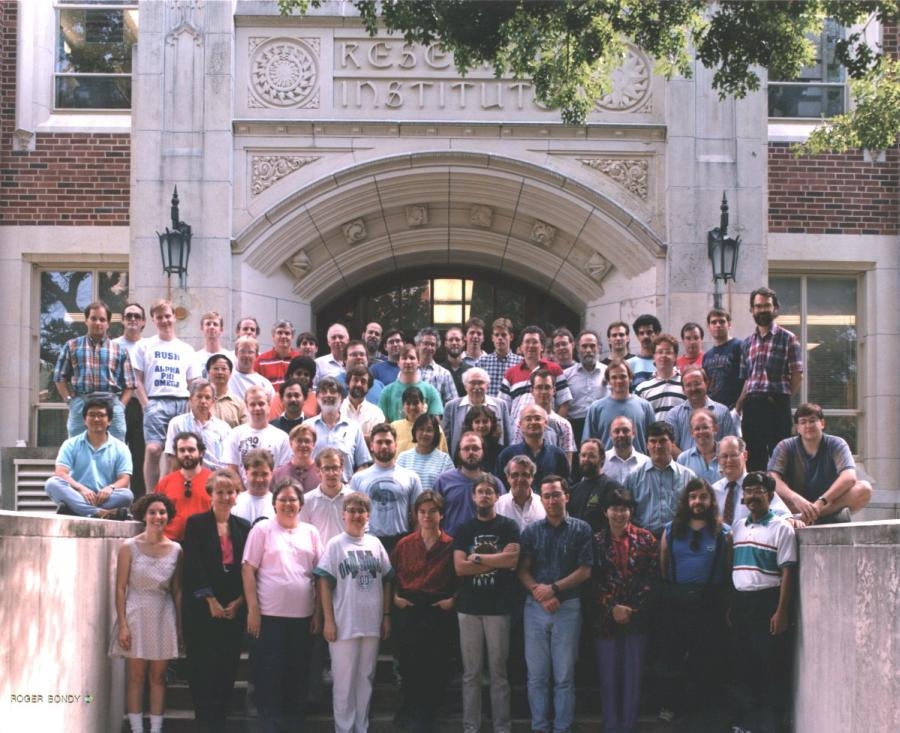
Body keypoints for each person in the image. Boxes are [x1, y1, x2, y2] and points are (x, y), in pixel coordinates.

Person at [242, 479, 323, 733]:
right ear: (274, 502)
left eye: (293, 499)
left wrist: (318, 613)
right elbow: (248, 569)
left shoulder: (310, 532)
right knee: (270, 678)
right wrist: (253, 609)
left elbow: (320, 575)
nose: (288, 504)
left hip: (303, 617)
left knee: (298, 677)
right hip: (269, 617)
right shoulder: (263, 530)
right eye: (283, 499)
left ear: (301, 504)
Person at [517, 475, 593, 733]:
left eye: (556, 494)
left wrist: (555, 589)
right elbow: (523, 570)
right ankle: (539, 727)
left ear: (566, 496)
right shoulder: (531, 531)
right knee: (537, 676)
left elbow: (585, 570)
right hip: (535, 608)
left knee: (563, 677)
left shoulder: (581, 529)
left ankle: (562, 728)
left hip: (568, 607)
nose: (551, 500)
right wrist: (539, 592)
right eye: (546, 496)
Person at [315, 492, 394, 733]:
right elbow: (324, 583)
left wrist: (387, 616)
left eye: (361, 511)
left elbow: (388, 579)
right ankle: (344, 728)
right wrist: (328, 620)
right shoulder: (336, 544)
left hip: (371, 622)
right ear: (344, 514)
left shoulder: (375, 543)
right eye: (352, 510)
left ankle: (362, 727)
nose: (357, 515)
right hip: (344, 623)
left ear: (368, 515)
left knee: (365, 679)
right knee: (344, 682)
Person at [657, 478, 731, 728]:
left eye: (703, 497)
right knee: (673, 657)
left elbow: (728, 567)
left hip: (709, 602)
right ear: (686, 501)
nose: (698, 501)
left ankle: (703, 709)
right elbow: (664, 565)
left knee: (706, 657)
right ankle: (671, 706)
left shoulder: (723, 532)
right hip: (677, 600)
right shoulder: (671, 529)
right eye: (693, 497)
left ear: (711, 501)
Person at [181, 469, 251, 733]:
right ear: (210, 494)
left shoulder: (244, 527)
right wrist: (209, 600)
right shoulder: (196, 524)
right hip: (202, 607)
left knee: (227, 665)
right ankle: (205, 722)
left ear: (236, 496)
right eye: (219, 492)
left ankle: (220, 720)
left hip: (233, 605)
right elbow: (193, 566)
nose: (225, 496)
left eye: (230, 492)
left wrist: (240, 601)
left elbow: (248, 566)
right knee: (202, 666)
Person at [729, 471, 797, 733]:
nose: (753, 496)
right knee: (743, 664)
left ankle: (769, 726)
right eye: (748, 491)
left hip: (767, 603)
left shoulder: (782, 528)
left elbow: (788, 572)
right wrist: (731, 604)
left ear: (770, 494)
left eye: (758, 490)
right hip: (741, 603)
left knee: (770, 665)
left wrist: (781, 612)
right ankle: (743, 723)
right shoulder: (737, 527)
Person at [110, 493, 183, 733]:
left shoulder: (176, 550)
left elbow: (177, 590)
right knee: (136, 677)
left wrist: (179, 627)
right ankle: (136, 729)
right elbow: (120, 588)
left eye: (162, 512)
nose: (157, 516)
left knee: (158, 678)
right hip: (135, 614)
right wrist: (122, 624)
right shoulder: (128, 547)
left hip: (164, 614)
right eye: (152, 512)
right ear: (144, 515)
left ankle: (155, 729)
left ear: (168, 516)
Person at [453, 473, 521, 733]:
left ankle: (502, 727)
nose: (484, 496)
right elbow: (460, 568)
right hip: (469, 609)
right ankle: (471, 726)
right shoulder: (464, 528)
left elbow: (512, 561)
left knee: (498, 673)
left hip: (498, 609)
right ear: (473, 496)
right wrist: (497, 559)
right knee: (471, 673)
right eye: (480, 491)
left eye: (489, 492)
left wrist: (478, 559)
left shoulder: (508, 527)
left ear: (496, 496)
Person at [590, 485, 658, 733]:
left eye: (624, 509)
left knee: (633, 676)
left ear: (631, 511)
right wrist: (612, 608)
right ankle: (611, 727)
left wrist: (631, 609)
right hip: (605, 618)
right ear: (606, 512)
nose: (619, 514)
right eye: (614, 509)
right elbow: (591, 580)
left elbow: (652, 578)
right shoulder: (595, 541)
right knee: (608, 677)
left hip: (637, 617)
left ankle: (628, 726)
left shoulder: (646, 538)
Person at [390, 491, 458, 733]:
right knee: (409, 664)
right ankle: (410, 710)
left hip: (437, 610)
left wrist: (453, 600)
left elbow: (462, 579)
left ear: (441, 514)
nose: (427, 516)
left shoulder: (451, 545)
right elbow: (392, 576)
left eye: (432, 511)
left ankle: (431, 714)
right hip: (409, 608)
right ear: (415, 515)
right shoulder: (405, 544)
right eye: (422, 512)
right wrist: (395, 598)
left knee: (436, 664)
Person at [133, 299, 199, 491]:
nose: (164, 320)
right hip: (156, 402)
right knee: (153, 450)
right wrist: (147, 405)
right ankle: (151, 496)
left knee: (176, 454)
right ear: (153, 320)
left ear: (174, 317)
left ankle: (170, 494)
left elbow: (193, 383)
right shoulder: (144, 346)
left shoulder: (186, 349)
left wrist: (191, 407)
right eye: (159, 317)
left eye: (167, 316)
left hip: (181, 403)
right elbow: (136, 379)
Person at [768, 402, 872, 524]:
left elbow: (849, 477)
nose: (808, 425)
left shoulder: (837, 444)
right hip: (795, 505)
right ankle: (816, 516)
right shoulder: (785, 446)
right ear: (797, 428)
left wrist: (820, 502)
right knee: (767, 493)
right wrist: (795, 498)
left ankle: (808, 517)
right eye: (803, 422)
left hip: (828, 503)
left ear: (822, 423)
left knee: (864, 489)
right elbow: (772, 478)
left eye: (812, 421)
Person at [736, 286, 803, 471]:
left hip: (776, 405)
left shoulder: (788, 338)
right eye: (758, 306)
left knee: (780, 457)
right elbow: (747, 380)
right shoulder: (747, 343)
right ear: (752, 310)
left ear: (775, 308)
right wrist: (739, 406)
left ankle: (779, 498)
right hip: (752, 407)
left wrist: (782, 397)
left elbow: (797, 375)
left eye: (766, 306)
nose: (762, 310)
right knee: (753, 458)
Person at [53, 299, 134, 441]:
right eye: (93, 318)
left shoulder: (119, 350)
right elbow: (59, 377)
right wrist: (70, 401)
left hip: (111, 403)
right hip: (81, 403)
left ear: (108, 323)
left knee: (116, 447)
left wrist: (120, 406)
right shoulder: (72, 346)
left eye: (102, 319)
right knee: (76, 446)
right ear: (86, 321)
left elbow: (130, 384)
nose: (98, 323)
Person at [44, 396, 134, 518]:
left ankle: (75, 509)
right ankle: (98, 513)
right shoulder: (71, 444)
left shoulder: (121, 447)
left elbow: (124, 479)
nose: (96, 419)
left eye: (101, 415)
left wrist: (110, 488)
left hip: (104, 498)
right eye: (91, 415)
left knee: (127, 495)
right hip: (77, 493)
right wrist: (81, 489)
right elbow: (60, 473)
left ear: (110, 421)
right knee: (52, 483)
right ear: (85, 420)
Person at [349, 422, 423, 554]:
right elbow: (351, 517)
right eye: (379, 442)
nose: (384, 446)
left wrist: (414, 545)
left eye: (388, 442)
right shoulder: (358, 479)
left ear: (396, 445)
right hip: (368, 542)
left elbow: (418, 518)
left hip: (401, 542)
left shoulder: (411, 477)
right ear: (371, 446)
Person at [625, 421, 696, 537]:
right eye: (653, 441)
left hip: (678, 539)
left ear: (673, 444)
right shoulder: (633, 478)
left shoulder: (689, 477)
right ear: (647, 444)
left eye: (663, 441)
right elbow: (626, 513)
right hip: (643, 543)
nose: (657, 446)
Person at [434, 431, 504, 537]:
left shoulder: (494, 483)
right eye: (466, 449)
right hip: (450, 544)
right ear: (459, 452)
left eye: (475, 448)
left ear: (483, 451)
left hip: (486, 545)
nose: (471, 452)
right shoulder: (443, 481)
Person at [713, 436, 790, 525]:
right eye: (724, 456)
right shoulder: (714, 490)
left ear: (745, 455)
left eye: (734, 455)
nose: (729, 460)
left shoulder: (759, 485)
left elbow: (782, 514)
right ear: (718, 459)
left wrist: (788, 519)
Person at [500, 325, 572, 421]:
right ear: (521, 347)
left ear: (542, 346)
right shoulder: (510, 374)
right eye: (527, 342)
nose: (531, 345)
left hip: (547, 431)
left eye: (535, 342)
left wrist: (554, 426)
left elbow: (565, 403)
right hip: (517, 432)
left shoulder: (554, 369)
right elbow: (503, 408)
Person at [307, 377, 372, 483]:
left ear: (341, 398)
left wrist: (351, 486)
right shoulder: (307, 427)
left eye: (333, 391)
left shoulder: (353, 428)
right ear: (317, 397)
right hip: (313, 491)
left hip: (345, 490)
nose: (328, 395)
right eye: (323, 391)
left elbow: (363, 465)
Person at [582, 359, 655, 453]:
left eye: (623, 376)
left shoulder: (645, 407)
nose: (619, 381)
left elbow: (653, 441)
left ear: (630, 378)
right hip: (607, 466)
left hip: (640, 466)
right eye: (614, 377)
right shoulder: (596, 408)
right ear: (608, 381)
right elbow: (588, 444)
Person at [114, 302, 148, 497]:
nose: (133, 319)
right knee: (114, 454)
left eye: (137, 316)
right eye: (129, 316)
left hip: (141, 407)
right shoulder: (113, 345)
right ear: (123, 320)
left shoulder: (148, 346)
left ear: (143, 322)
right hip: (118, 404)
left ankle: (139, 503)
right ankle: (111, 500)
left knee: (139, 456)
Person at [224, 386, 291, 483]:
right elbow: (232, 469)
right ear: (247, 407)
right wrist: (244, 494)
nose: (257, 408)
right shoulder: (235, 434)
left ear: (269, 405)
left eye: (261, 404)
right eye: (252, 404)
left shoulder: (282, 437)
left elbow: (283, 472)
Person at [496, 404, 570, 491]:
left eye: (537, 418)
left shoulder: (557, 455)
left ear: (545, 423)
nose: (533, 422)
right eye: (528, 419)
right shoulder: (507, 455)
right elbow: (500, 486)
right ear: (520, 424)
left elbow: (565, 485)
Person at [664, 364, 738, 452]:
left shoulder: (723, 411)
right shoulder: (674, 414)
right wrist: (690, 461)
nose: (693, 388)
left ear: (707, 383)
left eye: (697, 383)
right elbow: (671, 446)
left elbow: (731, 444)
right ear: (683, 389)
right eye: (688, 385)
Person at [155, 431, 214, 542]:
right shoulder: (165, 482)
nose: (186, 454)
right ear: (176, 454)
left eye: (191, 450)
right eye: (182, 450)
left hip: (204, 543)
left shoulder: (213, 480)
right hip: (170, 543)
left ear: (201, 453)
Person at [442, 366, 512, 457]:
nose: (477, 386)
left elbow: (508, 437)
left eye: (480, 383)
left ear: (487, 385)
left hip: (494, 459)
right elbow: (446, 439)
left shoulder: (500, 405)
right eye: (472, 383)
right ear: (465, 386)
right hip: (461, 460)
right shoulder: (451, 406)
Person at [163, 378, 231, 472]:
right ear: (190, 399)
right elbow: (172, 457)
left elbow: (229, 459)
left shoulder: (224, 428)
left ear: (213, 401)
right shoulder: (177, 424)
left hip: (216, 478)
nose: (203, 401)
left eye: (207, 397)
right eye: (199, 396)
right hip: (188, 477)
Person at [512, 369, 577, 466]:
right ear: (532, 391)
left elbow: (567, 462)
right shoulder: (521, 422)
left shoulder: (564, 425)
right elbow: (516, 454)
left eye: (547, 387)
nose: (543, 391)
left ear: (554, 390)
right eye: (539, 387)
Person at [568, 438, 624, 531]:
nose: (586, 459)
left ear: (602, 458)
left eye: (591, 456)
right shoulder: (573, 490)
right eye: (583, 455)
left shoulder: (613, 487)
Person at [378, 343, 444, 422]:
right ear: (398, 362)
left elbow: (435, 423)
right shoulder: (387, 391)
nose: (408, 361)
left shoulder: (430, 391)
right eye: (404, 358)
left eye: (412, 358)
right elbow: (382, 423)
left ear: (419, 362)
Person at [300, 448, 352, 544]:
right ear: (318, 471)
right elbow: (303, 535)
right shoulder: (307, 501)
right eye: (326, 468)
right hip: (319, 557)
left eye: (335, 468)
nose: (331, 473)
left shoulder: (353, 499)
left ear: (342, 469)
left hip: (347, 556)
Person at [564, 329, 608, 441]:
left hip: (603, 425)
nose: (588, 350)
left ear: (599, 348)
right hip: (575, 428)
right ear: (578, 349)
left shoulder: (608, 372)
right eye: (584, 346)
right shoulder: (567, 375)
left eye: (592, 346)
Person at [397, 413, 455, 490]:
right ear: (415, 431)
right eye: (421, 429)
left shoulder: (445, 460)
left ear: (435, 433)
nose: (424, 434)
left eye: (429, 430)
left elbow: (450, 488)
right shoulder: (403, 458)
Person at [634, 333, 685, 420]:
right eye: (660, 352)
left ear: (675, 356)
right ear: (654, 356)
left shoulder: (685, 384)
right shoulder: (642, 389)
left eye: (668, 352)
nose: (664, 356)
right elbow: (638, 419)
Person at [702, 308, 744, 408]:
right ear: (708, 326)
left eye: (722, 321)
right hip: (713, 409)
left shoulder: (739, 346)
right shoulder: (707, 355)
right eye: (714, 322)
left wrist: (739, 407)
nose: (718, 325)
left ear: (729, 324)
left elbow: (747, 379)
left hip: (734, 408)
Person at [390, 385, 449, 454]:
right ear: (403, 405)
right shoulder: (394, 427)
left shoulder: (434, 428)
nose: (412, 407)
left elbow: (443, 455)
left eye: (415, 403)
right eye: (408, 403)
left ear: (423, 403)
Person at [495, 454, 546, 531]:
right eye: (515, 475)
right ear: (507, 478)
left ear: (532, 478)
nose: (520, 479)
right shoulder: (497, 505)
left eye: (525, 475)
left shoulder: (543, 504)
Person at [271, 423, 322, 494]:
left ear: (313, 444)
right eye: (299, 441)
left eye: (307, 441)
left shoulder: (322, 474)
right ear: (291, 443)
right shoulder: (278, 474)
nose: (303, 445)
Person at [477, 317, 522, 397]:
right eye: (497, 335)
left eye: (504, 335)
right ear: (492, 338)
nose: (500, 338)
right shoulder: (481, 362)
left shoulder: (520, 363)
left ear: (511, 337)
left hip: (511, 408)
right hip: (488, 408)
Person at [676, 410, 723, 484]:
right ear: (692, 432)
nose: (701, 432)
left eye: (705, 427)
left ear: (715, 429)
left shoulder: (727, 455)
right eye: (697, 429)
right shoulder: (683, 459)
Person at [340, 365, 387, 439]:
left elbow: (376, 438)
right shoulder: (337, 409)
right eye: (355, 380)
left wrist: (345, 435)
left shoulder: (376, 412)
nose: (359, 384)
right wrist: (366, 436)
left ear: (369, 387)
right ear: (348, 383)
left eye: (363, 381)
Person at [603, 415, 651, 485]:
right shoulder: (601, 462)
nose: (621, 435)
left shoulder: (646, 463)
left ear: (633, 433)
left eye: (625, 430)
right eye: (616, 431)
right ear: (610, 434)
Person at [232, 449, 277, 524]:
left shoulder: (278, 504)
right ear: (246, 473)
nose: (259, 479)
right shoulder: (234, 503)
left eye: (264, 474)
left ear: (271, 474)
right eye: (254, 474)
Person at [269, 355, 319, 420]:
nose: (302, 377)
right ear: (291, 375)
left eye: (306, 374)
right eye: (299, 373)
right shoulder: (280, 396)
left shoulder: (315, 397)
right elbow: (274, 422)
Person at [415, 326, 457, 404]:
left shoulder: (444, 374)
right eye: (426, 343)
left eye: (432, 344)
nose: (429, 347)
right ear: (418, 345)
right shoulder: (408, 371)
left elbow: (452, 405)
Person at [206, 354, 249, 428]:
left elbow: (245, 431)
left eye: (223, 369)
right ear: (208, 372)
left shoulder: (239, 403)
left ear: (230, 373)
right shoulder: (198, 400)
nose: (220, 372)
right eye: (216, 368)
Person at [228, 336, 276, 402]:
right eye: (242, 351)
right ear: (236, 353)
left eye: (250, 352)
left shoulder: (264, 384)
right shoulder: (227, 378)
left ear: (256, 355)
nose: (246, 355)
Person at [254, 319, 299, 388]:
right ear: (273, 336)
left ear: (292, 337)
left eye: (287, 333)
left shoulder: (299, 359)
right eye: (280, 333)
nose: (283, 336)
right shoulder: (261, 361)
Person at [462, 405, 503, 471]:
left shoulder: (500, 451)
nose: (481, 425)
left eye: (485, 421)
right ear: (470, 424)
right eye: (477, 422)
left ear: (492, 423)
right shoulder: (463, 449)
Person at [194, 311, 234, 378]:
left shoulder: (230, 357)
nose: (211, 327)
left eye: (215, 324)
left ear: (221, 329)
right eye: (208, 324)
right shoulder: (194, 357)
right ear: (202, 328)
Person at [626, 313, 662, 389]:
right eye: (641, 333)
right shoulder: (629, 364)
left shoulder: (665, 362)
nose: (645, 336)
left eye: (649, 332)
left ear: (657, 333)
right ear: (637, 336)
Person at [439, 325, 471, 397]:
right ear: (445, 343)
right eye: (451, 340)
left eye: (457, 339)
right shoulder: (439, 371)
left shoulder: (471, 371)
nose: (454, 343)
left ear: (463, 343)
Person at [314, 322, 350, 386]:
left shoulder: (354, 362)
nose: (337, 340)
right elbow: (313, 388)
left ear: (348, 340)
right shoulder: (318, 363)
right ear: (328, 342)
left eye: (341, 337)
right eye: (333, 338)